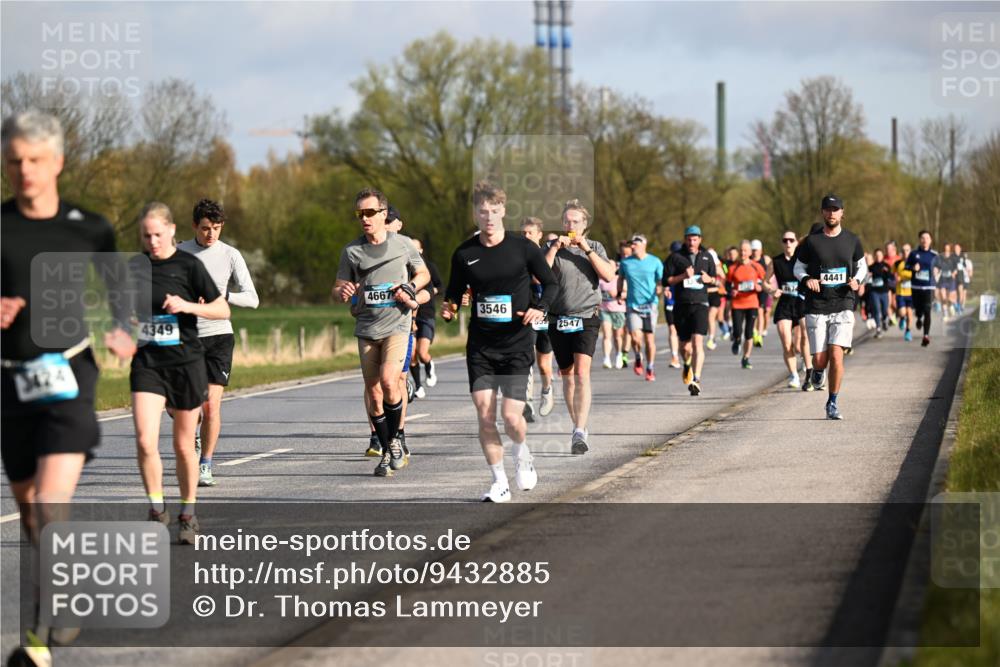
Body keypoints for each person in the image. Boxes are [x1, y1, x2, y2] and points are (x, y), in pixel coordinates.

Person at [2, 110, 136, 666]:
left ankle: (37, 637)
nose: (25, 171)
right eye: (14, 161)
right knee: (31, 513)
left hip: (70, 373)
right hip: (10, 379)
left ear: (56, 161)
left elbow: (118, 285)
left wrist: (123, 329)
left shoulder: (90, 227)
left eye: (35, 160)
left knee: (49, 504)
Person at [442, 181, 557, 502]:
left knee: (511, 418)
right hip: (481, 346)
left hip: (517, 344)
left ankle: (522, 453)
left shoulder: (523, 248)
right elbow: (453, 293)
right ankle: (499, 482)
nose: (489, 217)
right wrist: (450, 308)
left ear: (504, 211)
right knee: (485, 415)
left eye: (494, 211)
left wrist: (539, 308)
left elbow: (550, 284)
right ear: (475, 214)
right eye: (483, 211)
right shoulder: (464, 253)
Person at [128, 202, 231, 544]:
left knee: (184, 446)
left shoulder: (189, 265)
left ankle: (188, 514)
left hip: (186, 363)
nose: (152, 241)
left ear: (172, 230)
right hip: (148, 363)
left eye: (158, 234)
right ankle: (157, 508)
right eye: (146, 236)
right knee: (145, 440)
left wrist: (187, 306)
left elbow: (222, 308)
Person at [335, 189, 429, 476]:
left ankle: (397, 438)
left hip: (397, 325)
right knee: (374, 394)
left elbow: (423, 274)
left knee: (390, 381)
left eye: (369, 213)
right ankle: (388, 448)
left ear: (383, 214)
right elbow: (337, 287)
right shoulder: (351, 251)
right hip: (366, 327)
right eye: (359, 214)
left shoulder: (403, 245)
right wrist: (342, 291)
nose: (364, 219)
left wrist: (410, 287)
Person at [174, 199, 259, 487]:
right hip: (185, 337)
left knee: (211, 406)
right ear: (194, 226)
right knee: (182, 407)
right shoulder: (179, 252)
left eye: (217, 228)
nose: (211, 234)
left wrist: (223, 296)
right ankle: (193, 429)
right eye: (206, 228)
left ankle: (206, 463)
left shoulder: (231, 255)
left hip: (219, 336)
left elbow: (253, 299)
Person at [544, 199, 615, 454]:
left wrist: (586, 249)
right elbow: (538, 276)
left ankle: (579, 431)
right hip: (558, 318)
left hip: (587, 316)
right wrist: (554, 248)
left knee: (582, 372)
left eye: (575, 222)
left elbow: (608, 275)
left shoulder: (595, 247)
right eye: (567, 221)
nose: (570, 225)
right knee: (568, 375)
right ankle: (578, 425)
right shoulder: (551, 247)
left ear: (584, 225)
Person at [794, 194, 866, 420]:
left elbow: (862, 266)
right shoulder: (812, 241)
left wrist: (857, 280)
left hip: (843, 302)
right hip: (816, 304)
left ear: (842, 212)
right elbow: (798, 267)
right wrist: (807, 279)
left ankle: (832, 402)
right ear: (822, 212)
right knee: (820, 359)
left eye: (835, 209)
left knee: (836, 354)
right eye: (828, 209)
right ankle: (817, 370)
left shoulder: (852, 240)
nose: (831, 213)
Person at [663, 226, 718, 395]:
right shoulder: (675, 257)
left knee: (697, 342)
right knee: (685, 347)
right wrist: (683, 276)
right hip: (681, 305)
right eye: (689, 239)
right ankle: (687, 364)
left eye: (695, 239)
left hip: (701, 304)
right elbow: (667, 281)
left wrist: (709, 279)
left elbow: (715, 279)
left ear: (700, 239)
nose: (692, 242)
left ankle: (696, 379)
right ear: (685, 240)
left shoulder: (707, 256)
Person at [520, 217, 556, 419]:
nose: (526, 236)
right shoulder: (516, 255)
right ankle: (527, 402)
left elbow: (542, 277)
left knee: (544, 364)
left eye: (530, 233)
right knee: (526, 357)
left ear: (539, 235)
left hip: (546, 314)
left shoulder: (548, 254)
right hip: (527, 312)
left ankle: (547, 390)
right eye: (523, 233)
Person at [617, 234, 662, 381]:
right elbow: (620, 278)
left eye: (635, 244)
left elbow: (660, 280)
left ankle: (650, 367)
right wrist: (619, 293)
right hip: (632, 304)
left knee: (649, 339)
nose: (632, 246)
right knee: (636, 338)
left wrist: (660, 289)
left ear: (644, 245)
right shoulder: (626, 263)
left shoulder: (655, 261)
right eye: (631, 244)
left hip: (650, 304)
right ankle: (637, 356)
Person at [770, 231, 812, 388]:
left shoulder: (803, 260)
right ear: (782, 243)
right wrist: (772, 290)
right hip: (784, 305)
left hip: (801, 303)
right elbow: (765, 282)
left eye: (791, 240)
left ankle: (808, 366)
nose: (788, 243)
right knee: (787, 344)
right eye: (785, 240)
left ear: (796, 242)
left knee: (801, 342)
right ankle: (794, 376)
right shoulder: (776, 261)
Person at [409, 238, 442, 399]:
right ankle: (418, 386)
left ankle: (429, 365)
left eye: (416, 249)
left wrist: (430, 293)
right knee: (411, 354)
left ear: (421, 251)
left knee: (422, 353)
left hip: (426, 315)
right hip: (409, 316)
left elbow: (440, 286)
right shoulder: (404, 268)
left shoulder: (429, 268)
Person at [726, 240, 765, 369]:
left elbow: (765, 281)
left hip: (752, 303)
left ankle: (746, 358)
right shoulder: (733, 268)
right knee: (737, 330)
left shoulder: (756, 266)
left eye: (745, 251)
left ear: (750, 252)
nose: (743, 253)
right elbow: (727, 285)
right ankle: (737, 340)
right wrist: (732, 291)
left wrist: (759, 287)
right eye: (741, 250)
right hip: (737, 304)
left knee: (749, 332)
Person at [906, 231, 940, 347]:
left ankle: (926, 336)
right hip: (916, 287)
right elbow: (906, 266)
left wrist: (937, 270)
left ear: (930, 240)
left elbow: (940, 267)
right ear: (920, 240)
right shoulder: (913, 254)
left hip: (929, 286)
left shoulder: (935, 255)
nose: (925, 240)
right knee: (918, 309)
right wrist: (913, 267)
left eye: (927, 238)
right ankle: (919, 317)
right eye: (922, 238)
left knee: (927, 310)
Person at [598, 259, 627, 369]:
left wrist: (618, 295)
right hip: (604, 310)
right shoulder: (600, 281)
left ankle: (619, 355)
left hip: (618, 310)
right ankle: (606, 358)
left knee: (618, 336)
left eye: (611, 266)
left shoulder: (619, 279)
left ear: (616, 268)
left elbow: (626, 292)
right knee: (606, 335)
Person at [662, 241, 683, 370]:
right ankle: (674, 357)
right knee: (672, 329)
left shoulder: (686, 264)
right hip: (670, 302)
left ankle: (685, 353)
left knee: (683, 331)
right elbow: (661, 280)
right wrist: (664, 288)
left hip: (684, 301)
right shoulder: (666, 265)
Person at [750, 239, 773, 347]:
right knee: (753, 311)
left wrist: (768, 282)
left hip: (763, 288)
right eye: (753, 250)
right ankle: (754, 331)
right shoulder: (749, 260)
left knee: (760, 311)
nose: (755, 252)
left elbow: (773, 270)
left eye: (756, 250)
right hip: (752, 289)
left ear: (761, 250)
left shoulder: (766, 259)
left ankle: (759, 335)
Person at [866, 248, 892, 338]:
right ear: (874, 256)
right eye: (876, 255)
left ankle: (884, 319)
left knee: (885, 309)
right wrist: (869, 276)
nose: (878, 257)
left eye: (879, 255)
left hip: (884, 291)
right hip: (874, 292)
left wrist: (886, 272)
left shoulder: (886, 266)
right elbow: (867, 279)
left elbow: (890, 277)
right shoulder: (871, 267)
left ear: (882, 256)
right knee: (876, 309)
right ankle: (878, 329)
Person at [894, 243, 914, 342]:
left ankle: (908, 331)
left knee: (909, 314)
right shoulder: (897, 263)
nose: (905, 252)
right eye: (903, 250)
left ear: (911, 251)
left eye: (907, 250)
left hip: (911, 293)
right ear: (901, 252)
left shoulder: (914, 263)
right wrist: (896, 278)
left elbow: (917, 275)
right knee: (902, 312)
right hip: (901, 292)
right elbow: (893, 275)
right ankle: (902, 318)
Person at [937, 243, 959, 321]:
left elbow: (956, 268)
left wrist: (954, 273)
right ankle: (945, 315)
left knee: (949, 298)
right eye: (945, 249)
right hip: (942, 280)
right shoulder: (940, 258)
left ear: (950, 249)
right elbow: (937, 267)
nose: (946, 251)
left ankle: (951, 306)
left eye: (947, 249)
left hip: (951, 280)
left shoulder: (953, 258)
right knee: (943, 298)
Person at [954, 243, 971, 313]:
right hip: (953, 277)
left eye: (957, 248)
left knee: (961, 293)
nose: (956, 249)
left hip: (961, 277)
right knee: (954, 293)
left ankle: (959, 306)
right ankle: (955, 304)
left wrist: (968, 271)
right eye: (955, 248)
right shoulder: (952, 257)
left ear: (960, 249)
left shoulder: (962, 257)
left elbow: (964, 265)